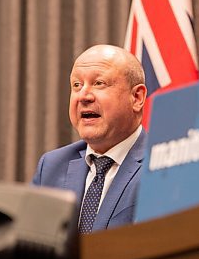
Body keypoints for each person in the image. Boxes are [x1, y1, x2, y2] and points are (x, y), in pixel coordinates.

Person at [32, 44, 147, 233]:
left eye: (99, 83)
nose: (83, 96)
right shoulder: (52, 165)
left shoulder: (160, 166)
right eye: (76, 85)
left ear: (136, 97)